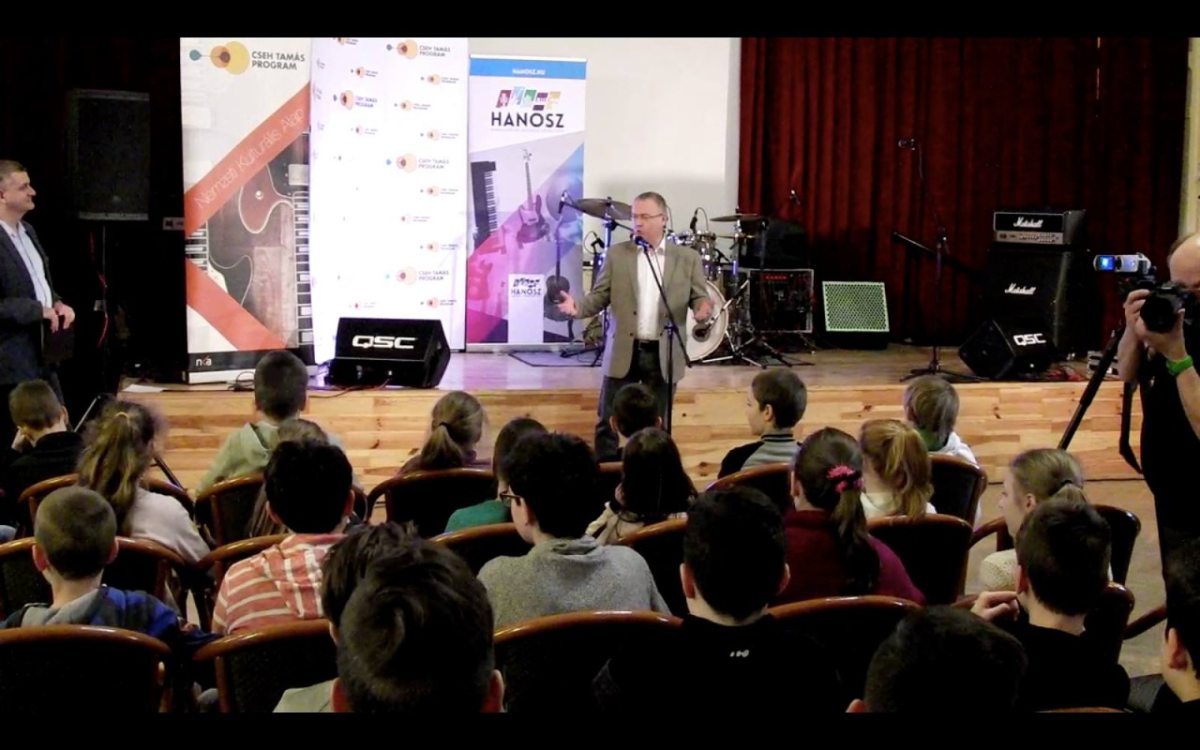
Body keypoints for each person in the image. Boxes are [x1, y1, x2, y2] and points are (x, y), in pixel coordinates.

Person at [555, 191, 712, 460]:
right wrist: (577, 308)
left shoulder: (687, 258)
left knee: (659, 423)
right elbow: (599, 296)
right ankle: (605, 472)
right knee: (607, 419)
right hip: (624, 349)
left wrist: (702, 310)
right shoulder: (617, 255)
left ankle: (654, 473)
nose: (638, 222)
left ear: (663, 219)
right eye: (634, 216)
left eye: (645, 216)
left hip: (663, 353)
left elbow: (699, 297)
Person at [1117, 231, 1200, 566]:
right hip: (1170, 489)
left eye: (1198, 288)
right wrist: (1132, 328)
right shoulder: (1172, 317)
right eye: (1180, 287)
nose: (1188, 298)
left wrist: (1178, 357)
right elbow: (1126, 372)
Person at [0, 160, 75, 446]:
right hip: (11, 362)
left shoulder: (28, 231)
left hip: (43, 355)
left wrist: (57, 303)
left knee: (58, 432)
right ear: (2, 194)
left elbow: (39, 283)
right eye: (24, 187)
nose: (32, 192)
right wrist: (36, 310)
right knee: (19, 443)